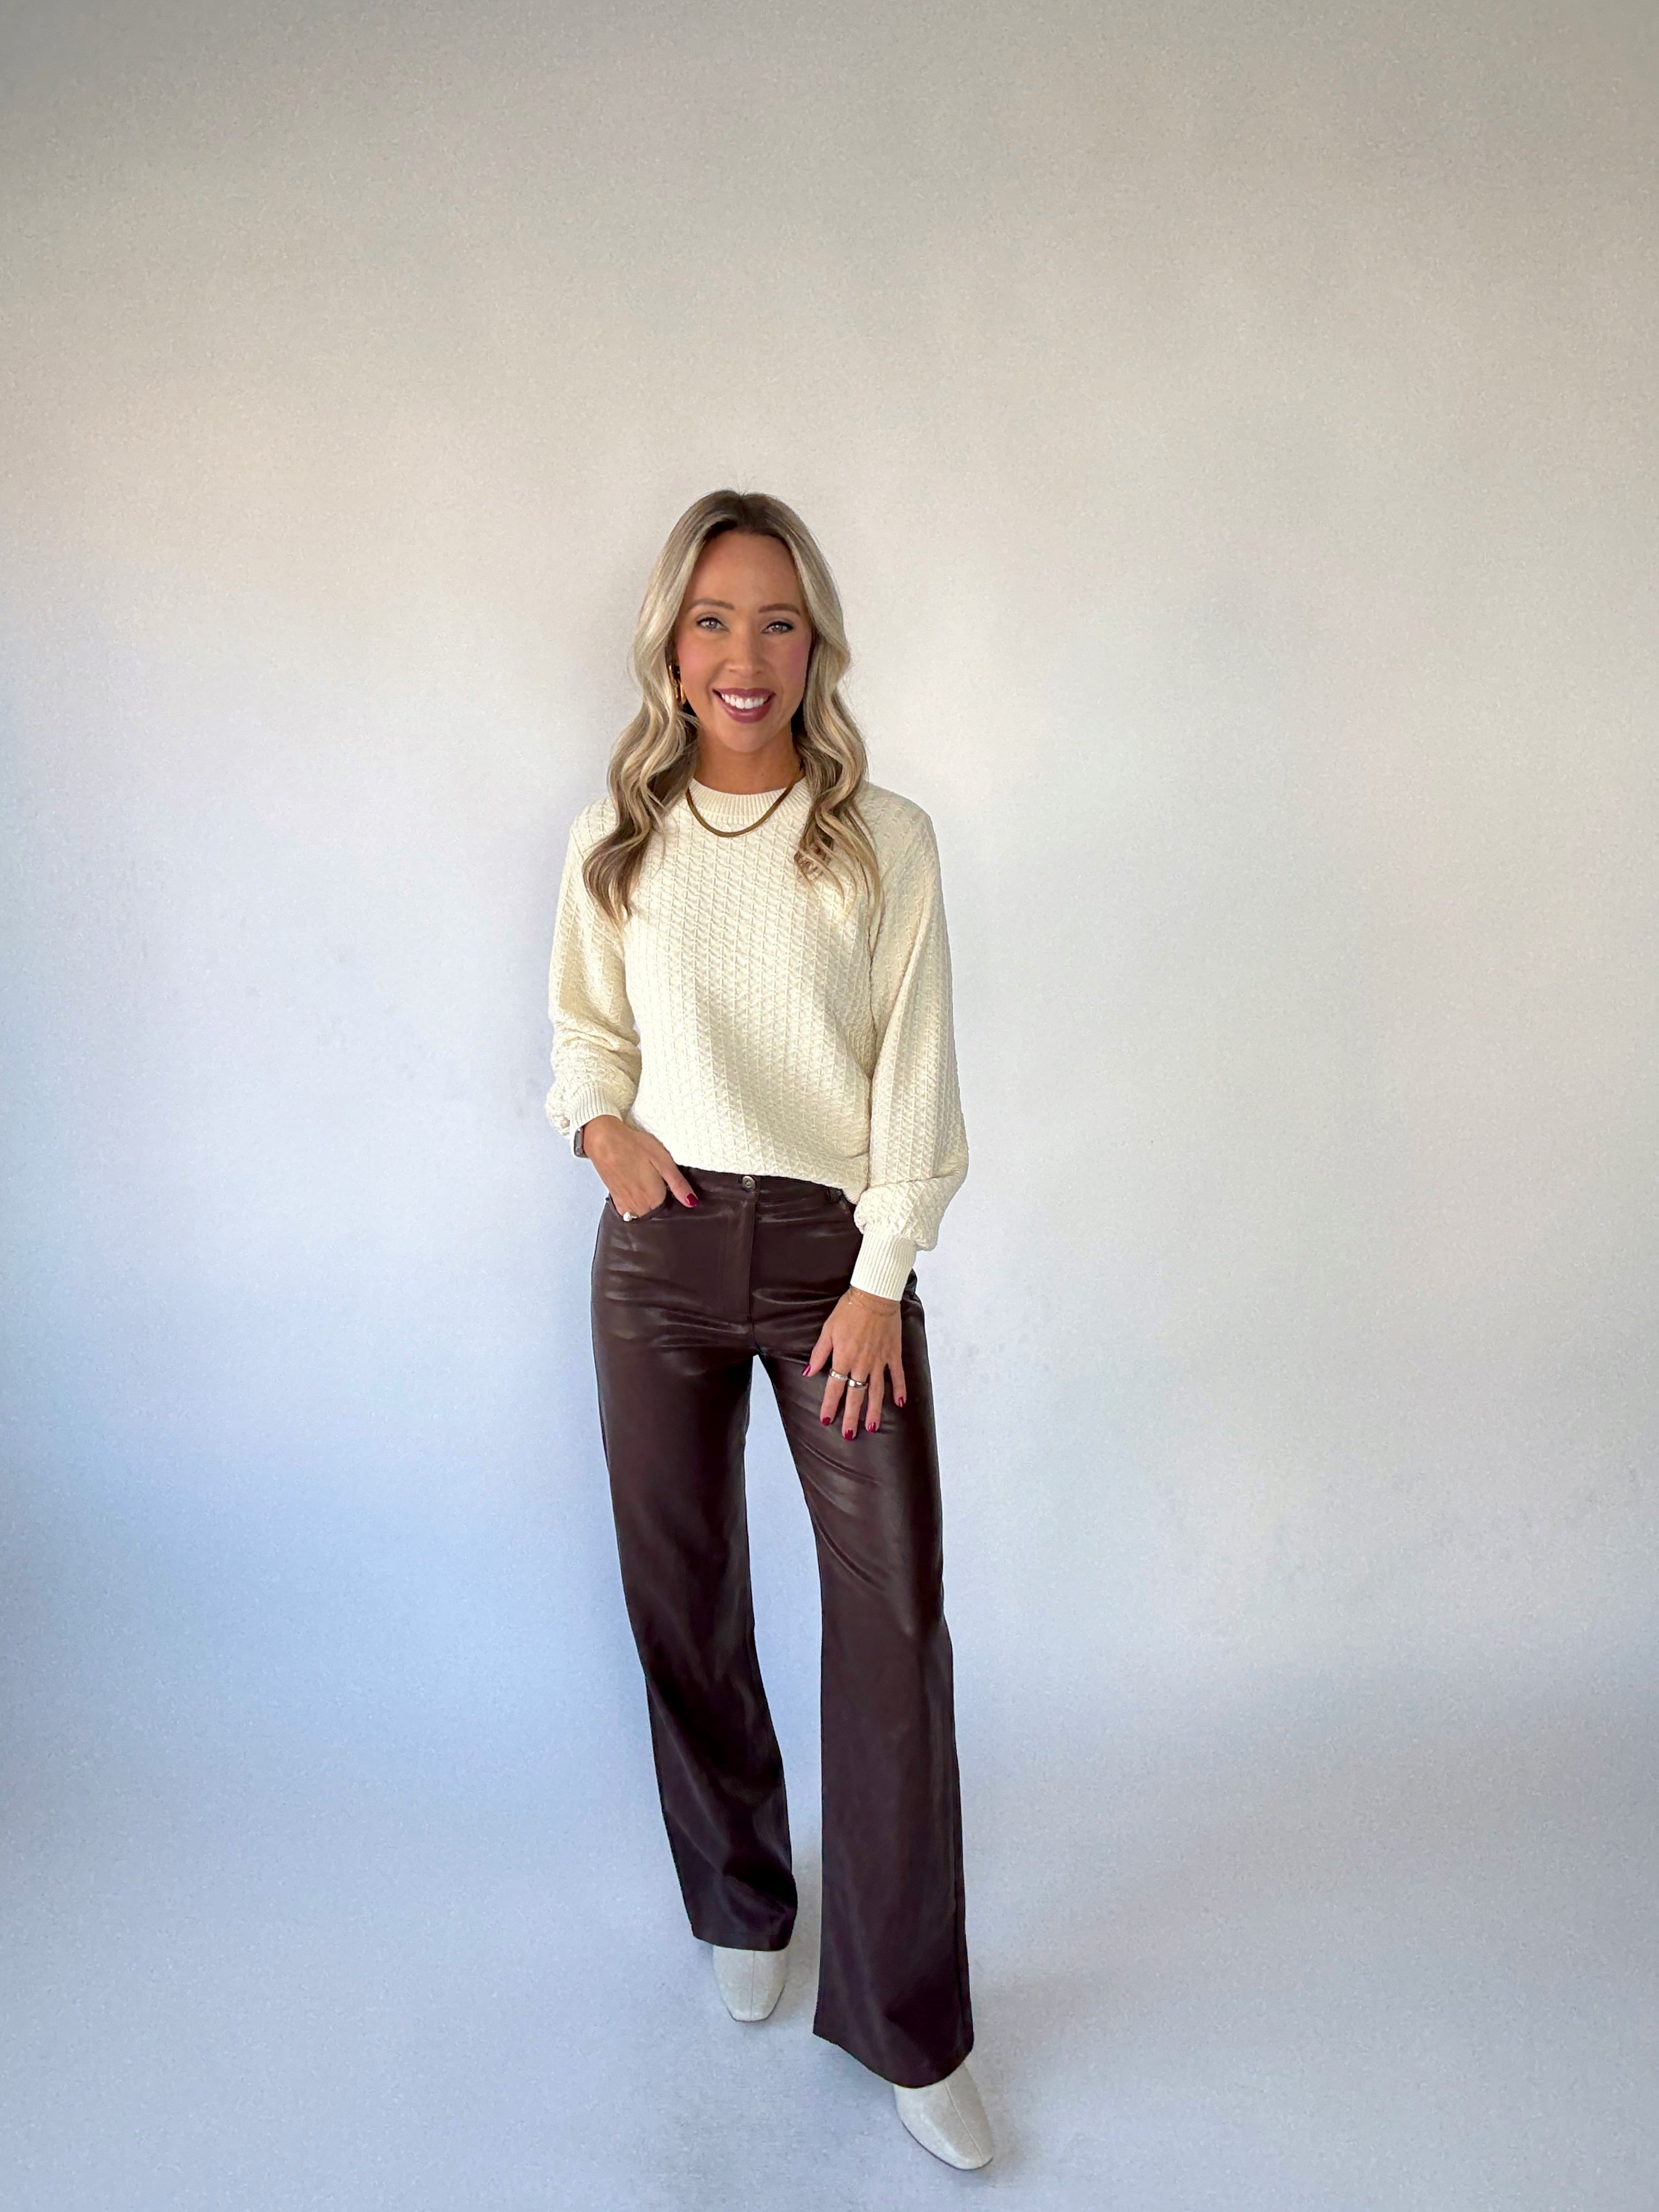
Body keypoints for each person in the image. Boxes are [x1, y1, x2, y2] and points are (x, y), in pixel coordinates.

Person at [544, 489, 992, 2171]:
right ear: (673, 643)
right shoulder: (618, 832)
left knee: (892, 1626)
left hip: (831, 1271)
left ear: (819, 648)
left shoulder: (884, 840)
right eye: (715, 619)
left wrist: (882, 1274)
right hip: (657, 1259)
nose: (747, 654)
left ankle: (909, 2025)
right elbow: (583, 1033)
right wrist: (605, 1131)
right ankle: (743, 1896)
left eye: (779, 621)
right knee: (684, 1595)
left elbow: (916, 1072)